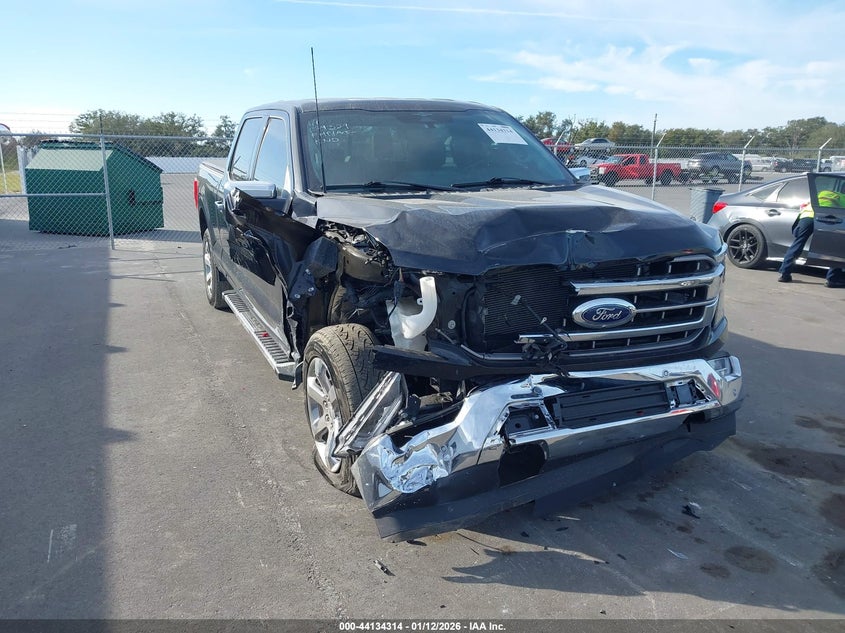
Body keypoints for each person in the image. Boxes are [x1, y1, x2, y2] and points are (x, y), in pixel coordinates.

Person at [778, 191, 845, 287]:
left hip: (807, 216)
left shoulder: (822, 192)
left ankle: (784, 274)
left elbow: (804, 205)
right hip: (825, 219)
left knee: (798, 243)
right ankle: (833, 279)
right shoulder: (842, 197)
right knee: (835, 248)